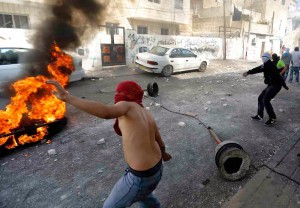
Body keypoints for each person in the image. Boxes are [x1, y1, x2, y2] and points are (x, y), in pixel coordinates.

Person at [46, 80, 172, 208]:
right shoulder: (145, 112)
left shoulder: (127, 105)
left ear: (126, 95)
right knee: (144, 194)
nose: (116, 95)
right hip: (157, 169)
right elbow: (159, 141)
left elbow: (106, 112)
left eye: (118, 92)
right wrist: (164, 154)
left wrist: (68, 98)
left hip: (141, 176)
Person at [243, 52, 289, 126]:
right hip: (271, 85)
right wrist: (248, 72)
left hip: (276, 85)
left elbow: (258, 69)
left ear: (268, 58)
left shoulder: (268, 64)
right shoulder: (267, 64)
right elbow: (259, 68)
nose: (263, 58)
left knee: (265, 100)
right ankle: (260, 115)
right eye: (262, 57)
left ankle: (272, 118)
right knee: (260, 98)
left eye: (264, 57)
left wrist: (248, 72)